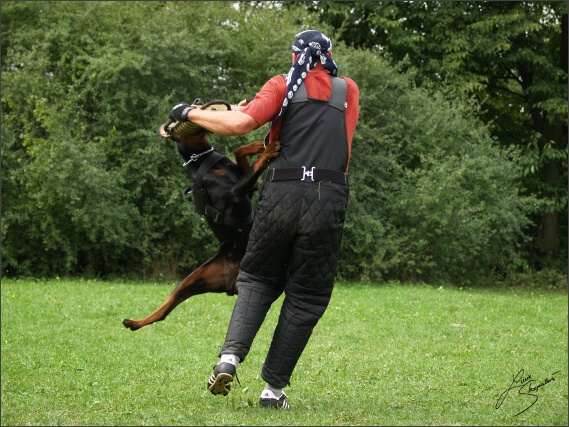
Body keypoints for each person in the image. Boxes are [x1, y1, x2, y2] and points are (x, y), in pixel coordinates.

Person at [168, 29, 359, 409]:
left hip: (280, 195)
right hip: (327, 198)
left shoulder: (282, 83)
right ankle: (272, 391)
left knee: (256, 277)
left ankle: (229, 358)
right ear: (329, 55)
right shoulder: (348, 90)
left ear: (294, 57)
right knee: (306, 296)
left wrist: (187, 113)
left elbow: (240, 125)